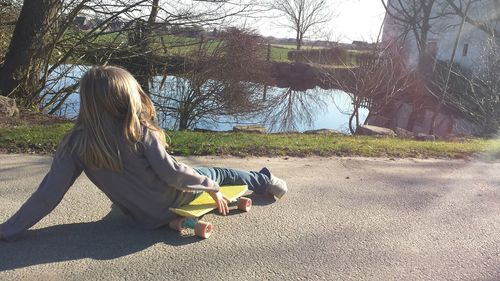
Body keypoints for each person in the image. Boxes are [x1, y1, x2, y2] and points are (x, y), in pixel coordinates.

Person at [0, 66, 287, 241]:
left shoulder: (74, 143)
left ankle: (170, 222)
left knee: (143, 190)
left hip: (144, 216)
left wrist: (9, 229)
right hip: (176, 197)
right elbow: (172, 173)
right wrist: (211, 188)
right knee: (218, 173)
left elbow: (47, 194)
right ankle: (264, 180)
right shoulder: (138, 132)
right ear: (128, 98)